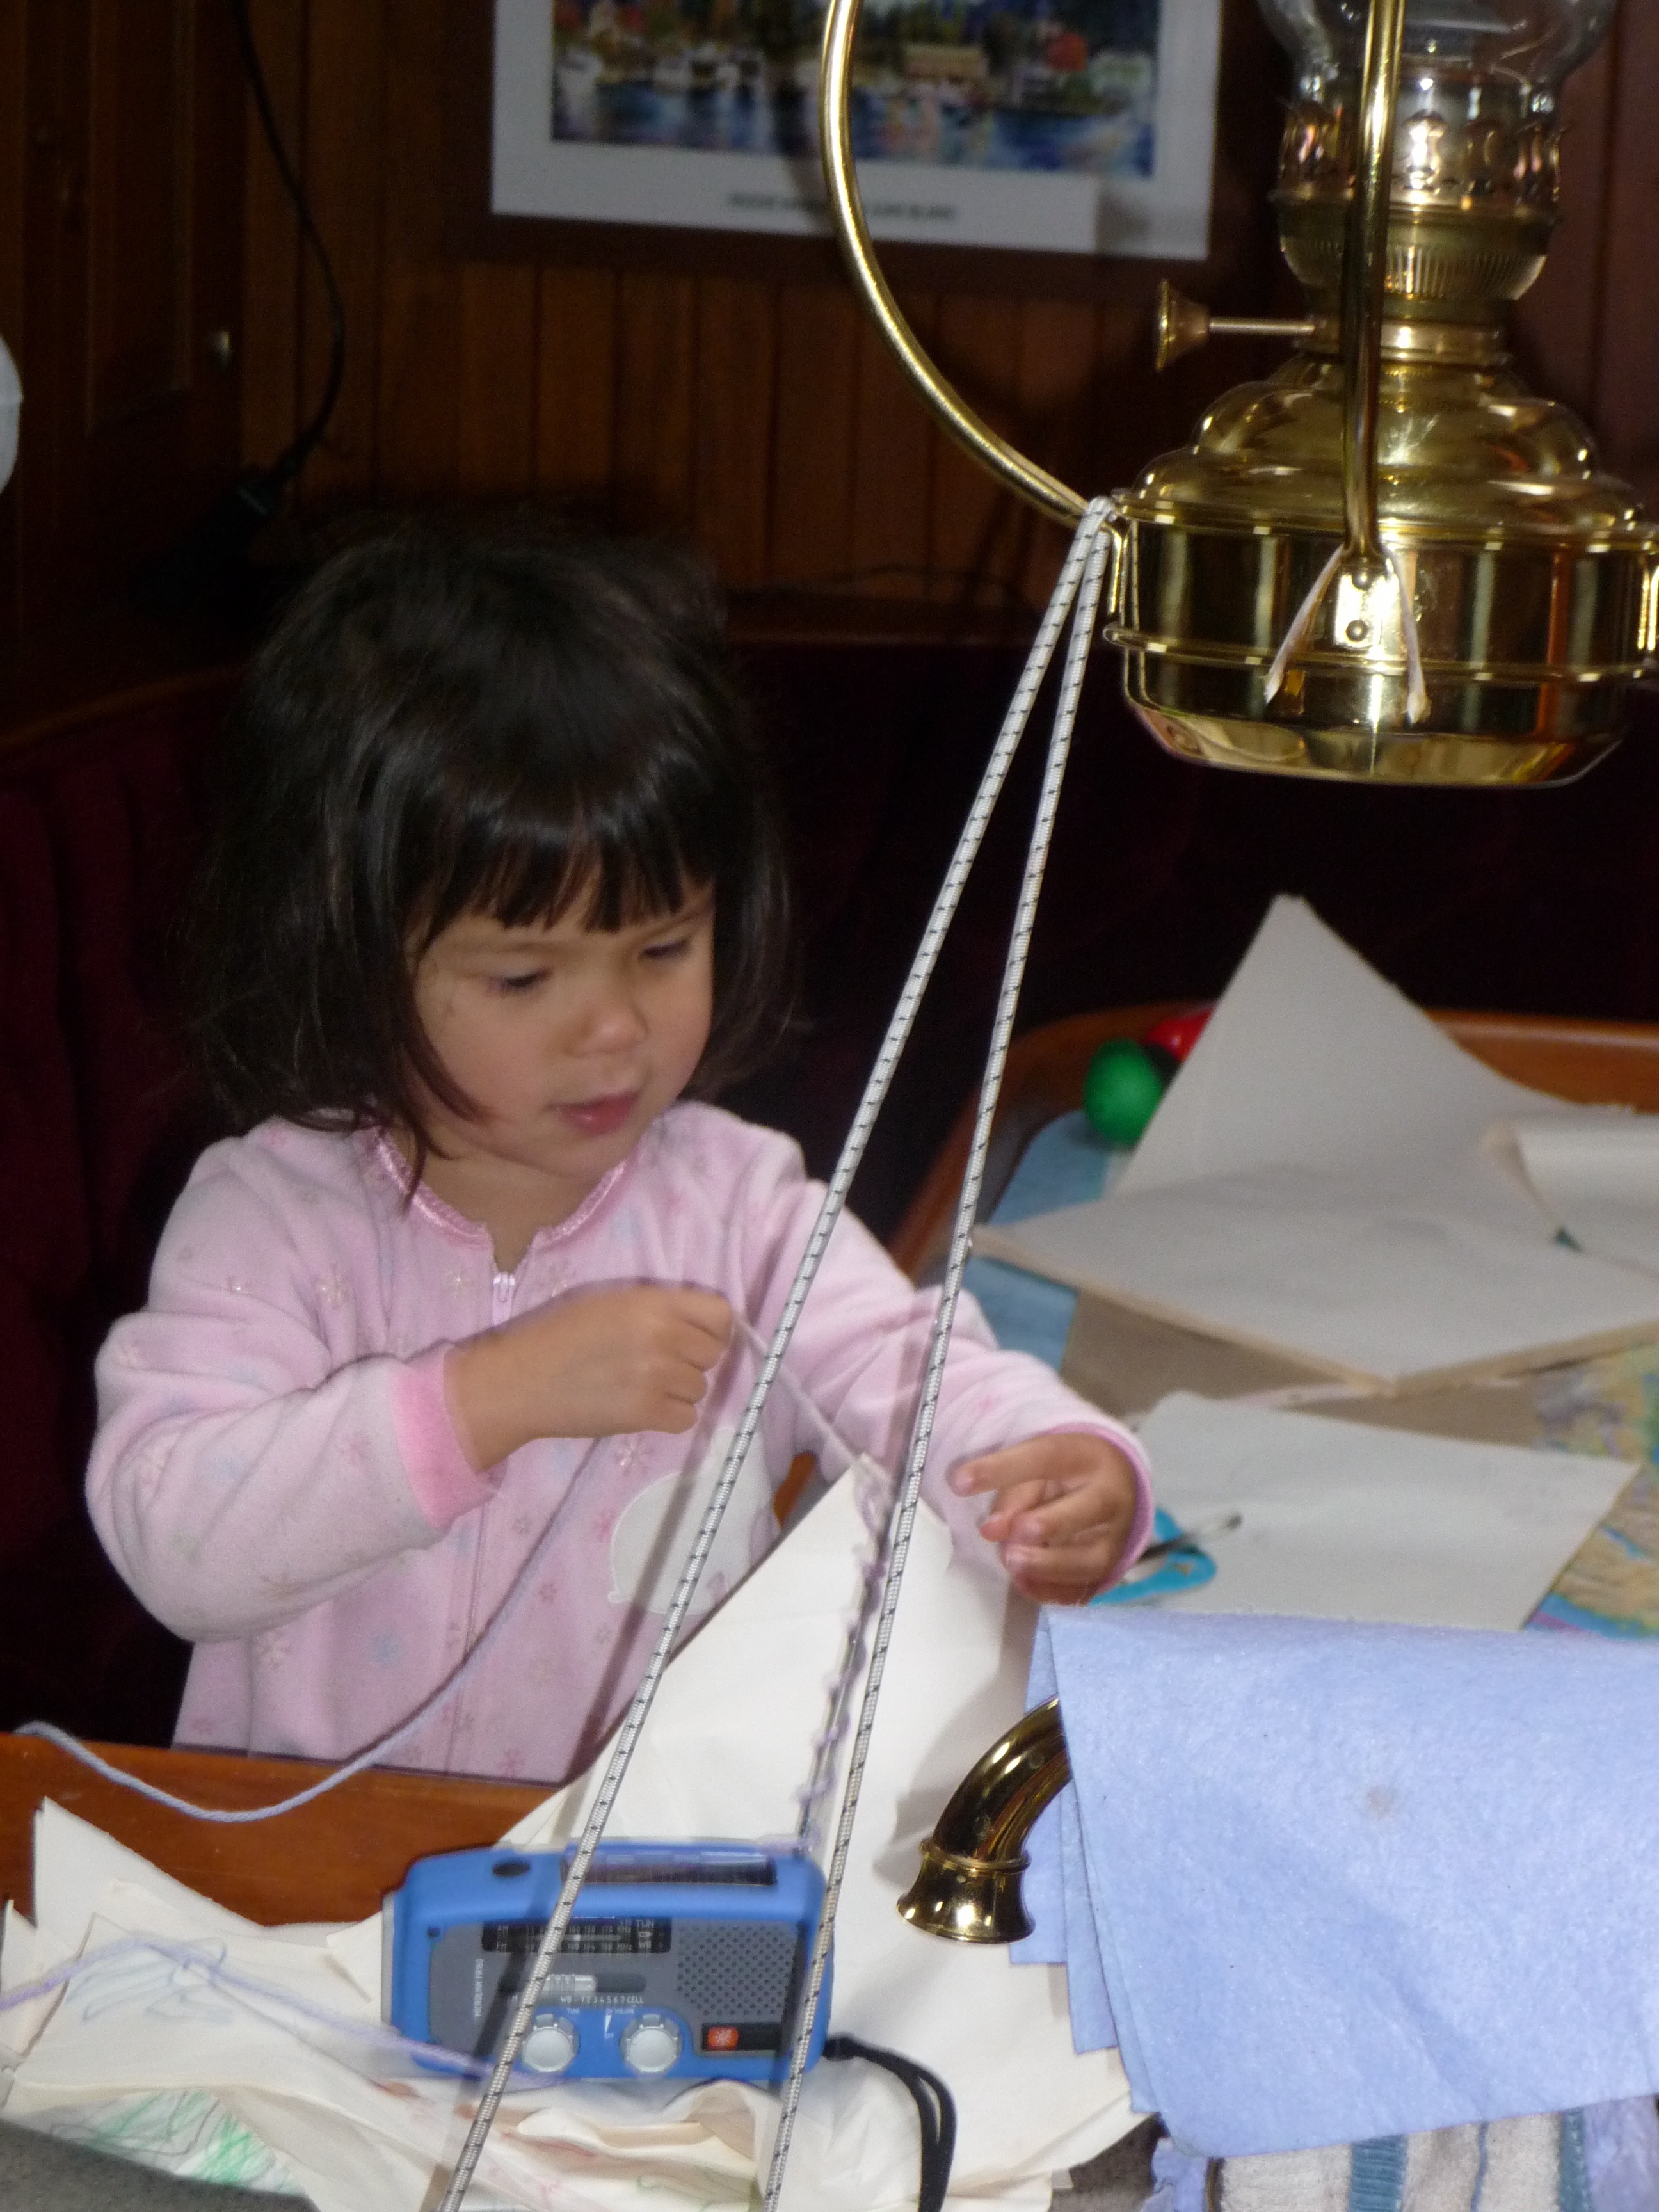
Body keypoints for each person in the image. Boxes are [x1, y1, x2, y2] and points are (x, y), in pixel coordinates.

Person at [87, 524, 1153, 1788]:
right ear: (350, 955)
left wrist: (1052, 1463)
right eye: (524, 976)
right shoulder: (270, 1221)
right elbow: (176, 1541)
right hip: (319, 1856)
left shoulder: (735, 1207)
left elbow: (905, 1365)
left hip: (653, 1846)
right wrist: (484, 1401)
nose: (614, 1029)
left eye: (662, 950)